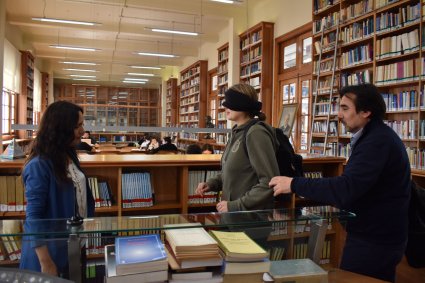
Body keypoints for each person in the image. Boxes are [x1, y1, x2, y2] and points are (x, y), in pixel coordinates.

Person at [269, 84, 410, 282]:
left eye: (345, 108)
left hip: (375, 239)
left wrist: (293, 184)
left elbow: (346, 188)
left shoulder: (377, 142)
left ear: (366, 111)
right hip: (377, 233)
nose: (339, 115)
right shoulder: (374, 137)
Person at [20, 101, 95, 278]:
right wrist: (46, 262)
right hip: (49, 255)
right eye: (78, 126)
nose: (82, 130)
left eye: (82, 124)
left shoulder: (69, 156)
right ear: (61, 129)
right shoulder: (39, 166)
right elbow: (34, 217)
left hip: (73, 245)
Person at [195, 83, 279, 212]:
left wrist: (235, 205)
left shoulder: (256, 133)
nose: (225, 106)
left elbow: (269, 181)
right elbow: (232, 173)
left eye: (231, 102)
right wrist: (211, 184)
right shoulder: (236, 132)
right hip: (232, 216)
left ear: (243, 104)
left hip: (250, 220)